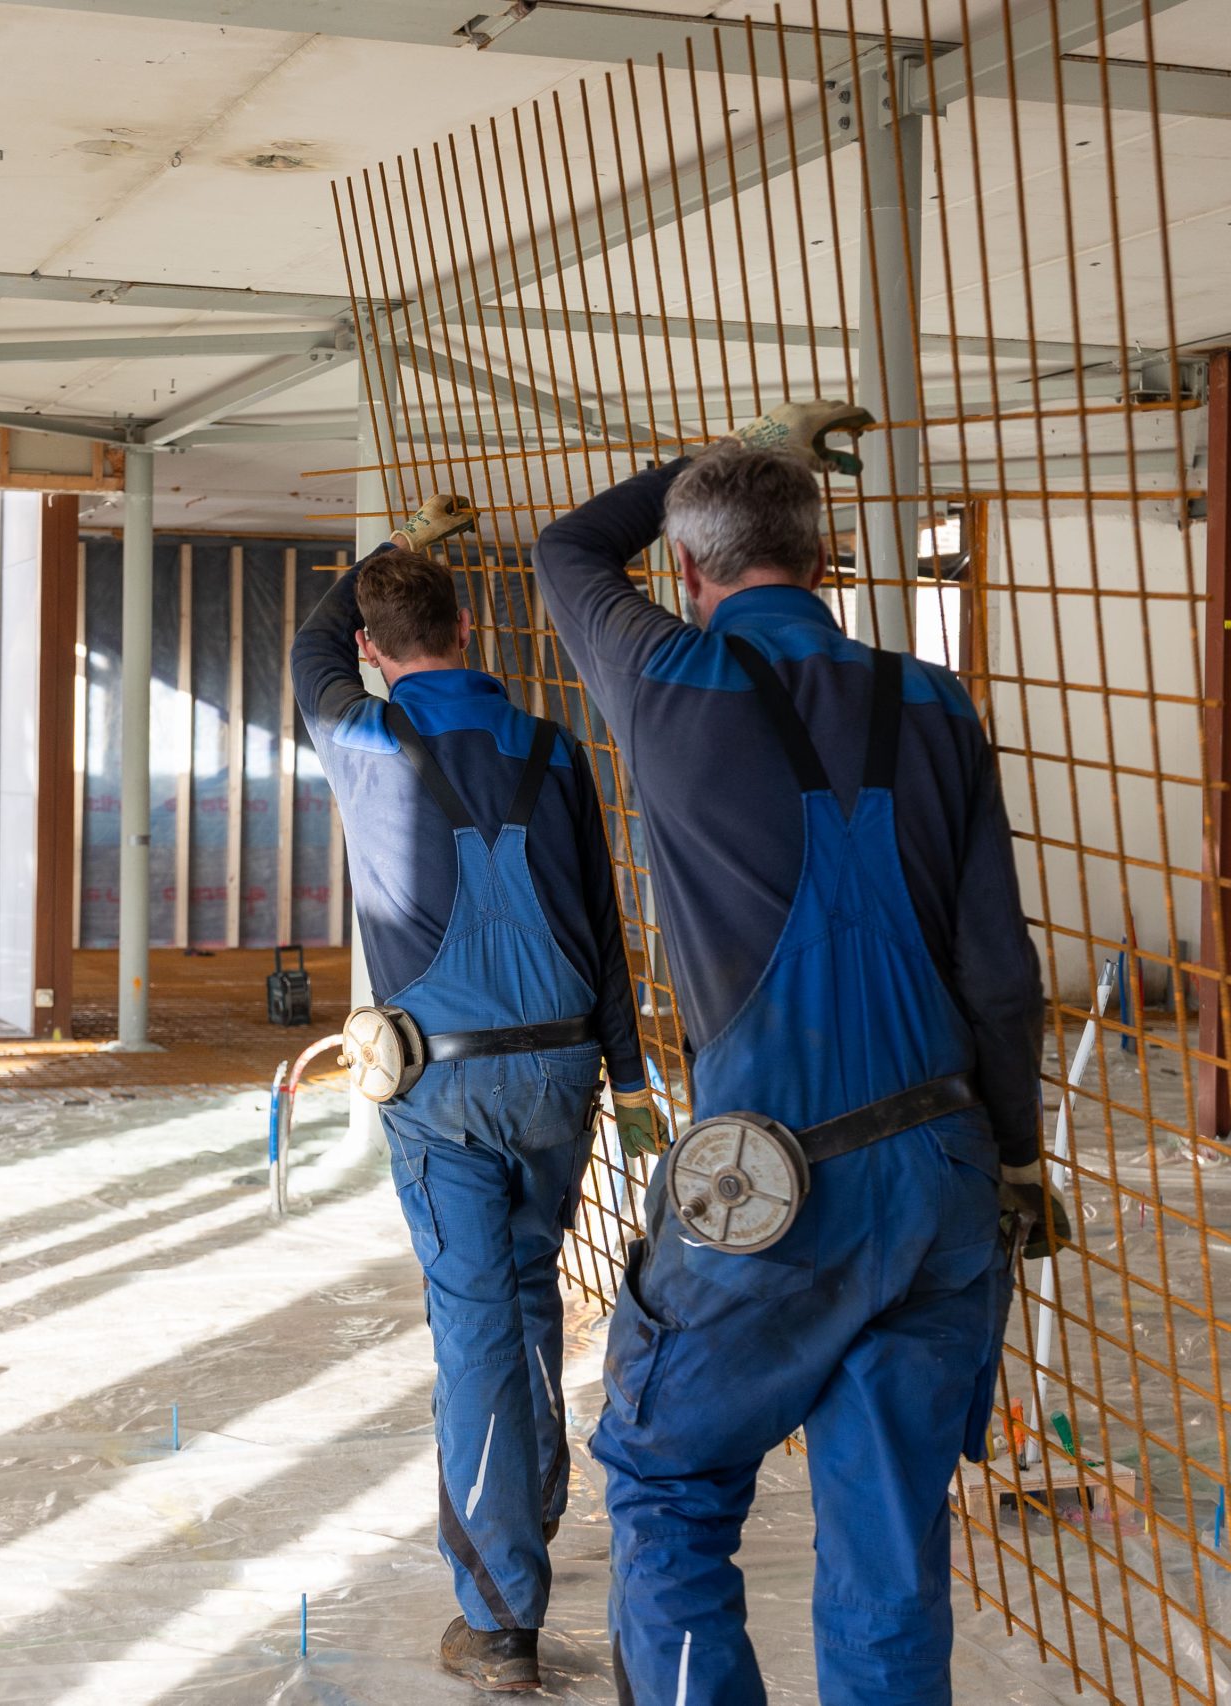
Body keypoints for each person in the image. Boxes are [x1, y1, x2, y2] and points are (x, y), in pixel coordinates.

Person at [533, 407, 1068, 1705]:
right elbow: (1002, 975)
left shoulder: (666, 681)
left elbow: (567, 549)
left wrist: (722, 455)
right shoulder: (935, 705)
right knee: (890, 1549)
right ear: (826, 565)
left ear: (695, 577)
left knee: (667, 1478)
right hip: (940, 1178)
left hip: (771, 1190)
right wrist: (1008, 1157)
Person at [292, 494, 663, 1694]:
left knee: (474, 1333)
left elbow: (307, 647)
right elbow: (606, 928)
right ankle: (532, 1511)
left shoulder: (364, 740)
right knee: (526, 1294)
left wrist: (389, 561)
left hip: (442, 1089)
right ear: (472, 627)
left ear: (375, 652)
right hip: (561, 1075)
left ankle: (500, 1614)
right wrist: (637, 1076)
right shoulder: (557, 750)